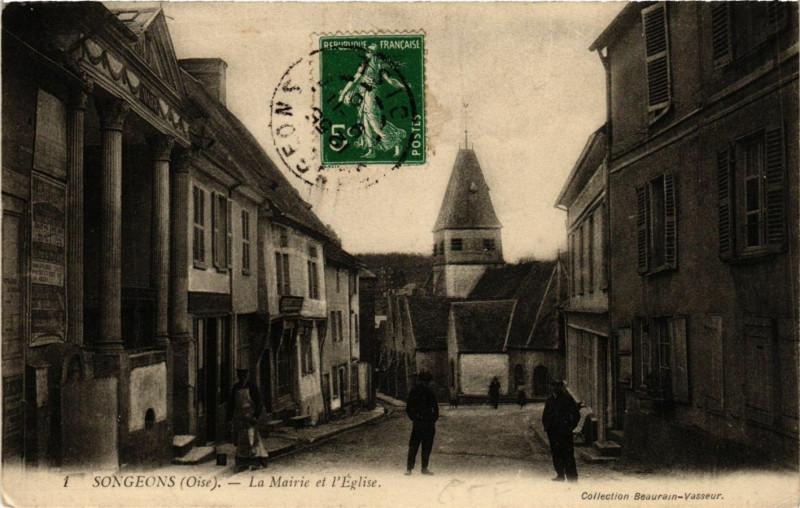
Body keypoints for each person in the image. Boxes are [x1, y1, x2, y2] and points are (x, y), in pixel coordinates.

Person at [337, 44, 407, 158]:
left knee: (375, 124)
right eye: (367, 51)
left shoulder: (379, 64)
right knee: (365, 123)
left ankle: (395, 141)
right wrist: (343, 94)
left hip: (371, 94)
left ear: (375, 53)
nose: (367, 53)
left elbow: (390, 80)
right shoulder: (364, 64)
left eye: (370, 51)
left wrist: (403, 86)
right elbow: (354, 79)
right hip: (361, 94)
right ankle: (371, 150)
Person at [228, 369, 269, 472]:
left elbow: (258, 403)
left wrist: (255, 416)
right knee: (241, 440)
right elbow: (232, 404)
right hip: (240, 417)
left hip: (250, 416)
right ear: (238, 377)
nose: (242, 378)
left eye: (244, 376)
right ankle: (243, 462)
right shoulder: (235, 388)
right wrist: (229, 417)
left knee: (252, 439)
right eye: (240, 376)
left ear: (247, 376)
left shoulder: (252, 387)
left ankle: (257, 461)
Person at [541, 378, 580, 482]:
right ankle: (560, 475)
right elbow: (545, 414)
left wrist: (571, 427)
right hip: (553, 432)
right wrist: (547, 426)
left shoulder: (567, 399)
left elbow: (576, 414)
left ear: (561, 387)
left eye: (557, 385)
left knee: (567, 454)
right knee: (556, 453)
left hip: (564, 432)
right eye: (553, 385)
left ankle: (572, 478)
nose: (554, 388)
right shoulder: (550, 399)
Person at [405, 370, 439, 475]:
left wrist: (433, 420)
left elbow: (436, 408)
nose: (425, 383)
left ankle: (424, 468)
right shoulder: (414, 392)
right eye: (423, 381)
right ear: (419, 381)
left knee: (427, 446)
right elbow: (408, 408)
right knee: (413, 446)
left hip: (428, 423)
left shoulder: (430, 393)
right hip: (418, 423)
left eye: (427, 381)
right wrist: (414, 418)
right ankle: (409, 468)